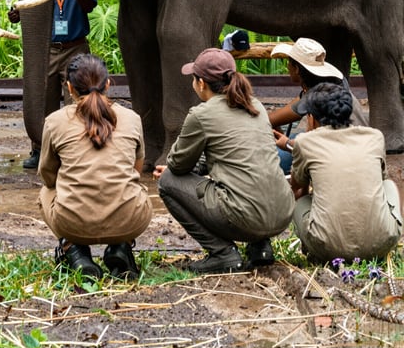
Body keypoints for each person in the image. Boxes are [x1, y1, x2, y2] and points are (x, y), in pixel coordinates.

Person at [154, 48, 294, 274]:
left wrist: (174, 167)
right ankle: (261, 247)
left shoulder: (201, 114)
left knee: (167, 181)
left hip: (246, 215)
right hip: (282, 211)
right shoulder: (255, 105)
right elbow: (236, 156)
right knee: (249, 173)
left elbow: (179, 165)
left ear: (201, 83)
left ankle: (222, 254)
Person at [38, 54, 152, 280]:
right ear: (108, 84)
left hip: (72, 224)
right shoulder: (131, 117)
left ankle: (73, 249)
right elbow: (135, 171)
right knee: (136, 190)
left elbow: (47, 176)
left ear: (69, 87)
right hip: (130, 220)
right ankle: (121, 246)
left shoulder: (55, 121)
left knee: (45, 192)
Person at [290, 82, 402, 262]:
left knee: (300, 200)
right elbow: (381, 180)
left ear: (312, 117)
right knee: (388, 185)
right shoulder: (374, 136)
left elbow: (297, 187)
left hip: (326, 248)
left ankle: (311, 251)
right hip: (381, 243)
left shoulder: (305, 142)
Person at [9, 0, 98, 170]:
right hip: (46, 50)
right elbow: (31, 10)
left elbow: (89, 5)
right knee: (43, 102)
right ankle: (40, 150)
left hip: (74, 48)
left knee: (75, 103)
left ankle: (74, 150)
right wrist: (18, 15)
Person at [269, 38, 368, 174]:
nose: (287, 67)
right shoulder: (332, 83)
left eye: (289, 63)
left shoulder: (315, 97)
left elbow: (273, 120)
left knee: (273, 160)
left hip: (336, 153)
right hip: (359, 146)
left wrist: (286, 144)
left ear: (297, 69)